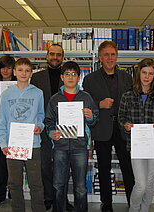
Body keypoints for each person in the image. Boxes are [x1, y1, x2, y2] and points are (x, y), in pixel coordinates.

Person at [82, 40, 135, 211]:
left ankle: (132, 202)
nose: (110, 58)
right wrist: (99, 105)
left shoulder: (127, 78)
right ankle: (107, 204)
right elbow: (85, 106)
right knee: (104, 169)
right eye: (106, 54)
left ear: (117, 56)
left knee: (128, 168)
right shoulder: (90, 79)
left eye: (112, 54)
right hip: (101, 130)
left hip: (123, 129)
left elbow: (133, 103)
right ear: (100, 57)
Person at [45, 61, 99, 212]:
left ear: (78, 77)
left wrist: (90, 117)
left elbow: (95, 120)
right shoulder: (55, 99)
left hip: (80, 147)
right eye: (67, 74)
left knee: (80, 187)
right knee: (58, 184)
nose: (70, 77)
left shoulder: (86, 97)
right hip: (60, 147)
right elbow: (48, 120)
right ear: (62, 77)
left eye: (74, 74)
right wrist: (51, 133)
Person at [118, 58, 154, 212]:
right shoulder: (128, 95)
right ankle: (134, 209)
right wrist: (125, 125)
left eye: (151, 73)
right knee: (140, 184)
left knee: (149, 182)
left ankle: (145, 209)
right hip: (137, 144)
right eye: (144, 72)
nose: (147, 77)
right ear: (138, 73)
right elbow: (121, 118)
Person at [0, 58, 45, 212]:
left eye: (27, 70)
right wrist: (3, 144)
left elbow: (41, 115)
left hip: (32, 144)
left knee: (36, 183)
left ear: (31, 73)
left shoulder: (38, 93)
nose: (24, 73)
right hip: (13, 145)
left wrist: (40, 126)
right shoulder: (6, 94)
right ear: (14, 72)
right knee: (14, 184)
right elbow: (0, 121)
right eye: (20, 70)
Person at [30, 44, 74, 211]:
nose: (55, 57)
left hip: (65, 128)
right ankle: (48, 197)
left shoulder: (68, 76)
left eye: (59, 55)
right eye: (52, 54)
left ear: (63, 57)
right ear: (46, 56)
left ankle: (62, 200)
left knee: (63, 166)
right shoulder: (36, 77)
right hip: (43, 128)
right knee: (45, 165)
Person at [0, 55, 16, 208]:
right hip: (0, 131)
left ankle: (14, 193)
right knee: (0, 165)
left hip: (17, 130)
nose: (6, 70)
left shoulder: (19, 86)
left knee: (15, 165)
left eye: (9, 67)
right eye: (3, 67)